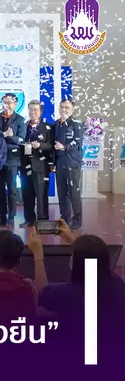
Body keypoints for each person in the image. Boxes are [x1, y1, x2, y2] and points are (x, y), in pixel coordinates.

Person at [39, 221, 125, 332]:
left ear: (76, 262)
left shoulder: (63, 294)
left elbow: (41, 292)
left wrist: (38, 256)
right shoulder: (118, 285)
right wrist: (75, 243)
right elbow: (96, 261)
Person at [0, 93, 26, 227]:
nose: (7, 105)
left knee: (12, 189)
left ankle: (11, 217)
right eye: (4, 102)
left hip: (12, 159)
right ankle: (2, 216)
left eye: (9, 102)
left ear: (15, 104)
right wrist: (4, 134)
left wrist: (10, 137)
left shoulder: (20, 120)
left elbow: (21, 139)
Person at [20, 100, 53, 227]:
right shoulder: (23, 126)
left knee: (41, 195)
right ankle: (29, 219)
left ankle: (43, 221)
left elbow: (51, 146)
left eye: (35, 109)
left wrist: (40, 145)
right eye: (31, 109)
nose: (33, 112)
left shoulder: (48, 127)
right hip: (25, 165)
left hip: (40, 166)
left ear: (41, 111)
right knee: (27, 194)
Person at [53, 99, 83, 230]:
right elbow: (53, 145)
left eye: (67, 107)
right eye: (62, 107)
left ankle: (77, 221)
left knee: (74, 193)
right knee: (62, 192)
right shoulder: (56, 124)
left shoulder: (76, 124)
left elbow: (78, 143)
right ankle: (64, 218)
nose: (64, 110)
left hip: (72, 163)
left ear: (72, 109)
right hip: (60, 163)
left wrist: (64, 147)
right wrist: (53, 163)